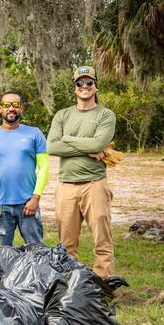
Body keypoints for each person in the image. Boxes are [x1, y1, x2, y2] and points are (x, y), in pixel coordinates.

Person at [47, 66, 117, 279]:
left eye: (89, 82)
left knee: (102, 241)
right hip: (66, 186)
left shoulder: (105, 115)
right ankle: (71, 286)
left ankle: (103, 288)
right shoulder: (63, 115)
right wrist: (90, 150)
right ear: (74, 88)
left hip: (94, 185)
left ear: (96, 86)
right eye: (79, 83)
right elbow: (52, 147)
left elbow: (99, 142)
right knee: (66, 244)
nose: (84, 86)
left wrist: (66, 139)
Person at [0, 92, 50, 245]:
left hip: (28, 204)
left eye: (15, 105)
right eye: (6, 105)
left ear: (21, 108)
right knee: (0, 254)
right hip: (0, 205)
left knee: (36, 251)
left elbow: (44, 168)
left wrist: (35, 198)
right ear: (0, 108)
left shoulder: (35, 133)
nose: (11, 108)